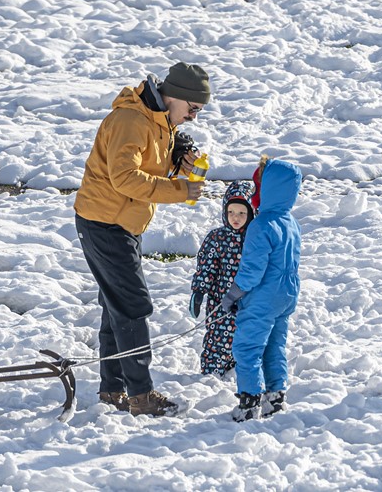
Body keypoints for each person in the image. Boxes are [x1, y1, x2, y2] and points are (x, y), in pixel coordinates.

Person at [74, 62, 211, 416]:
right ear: (175, 97)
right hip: (104, 223)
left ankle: (112, 389)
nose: (194, 116)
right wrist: (181, 189)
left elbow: (148, 167)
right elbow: (126, 179)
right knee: (133, 306)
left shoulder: (158, 119)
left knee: (116, 306)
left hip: (121, 223)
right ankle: (141, 395)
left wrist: (179, 159)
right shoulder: (132, 121)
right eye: (193, 108)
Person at [219, 158, 302, 421]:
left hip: (262, 299)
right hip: (286, 296)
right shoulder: (290, 222)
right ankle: (275, 397)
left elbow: (252, 271)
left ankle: (248, 401)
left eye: (257, 188)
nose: (254, 194)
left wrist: (233, 294)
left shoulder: (261, 225)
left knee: (247, 348)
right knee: (274, 346)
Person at [190, 180, 255, 377]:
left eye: (242, 213)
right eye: (231, 212)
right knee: (218, 339)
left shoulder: (256, 237)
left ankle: (241, 372)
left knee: (248, 339)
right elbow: (207, 266)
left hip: (250, 301)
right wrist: (199, 291)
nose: (236, 218)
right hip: (221, 301)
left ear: (251, 212)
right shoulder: (217, 238)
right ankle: (212, 373)